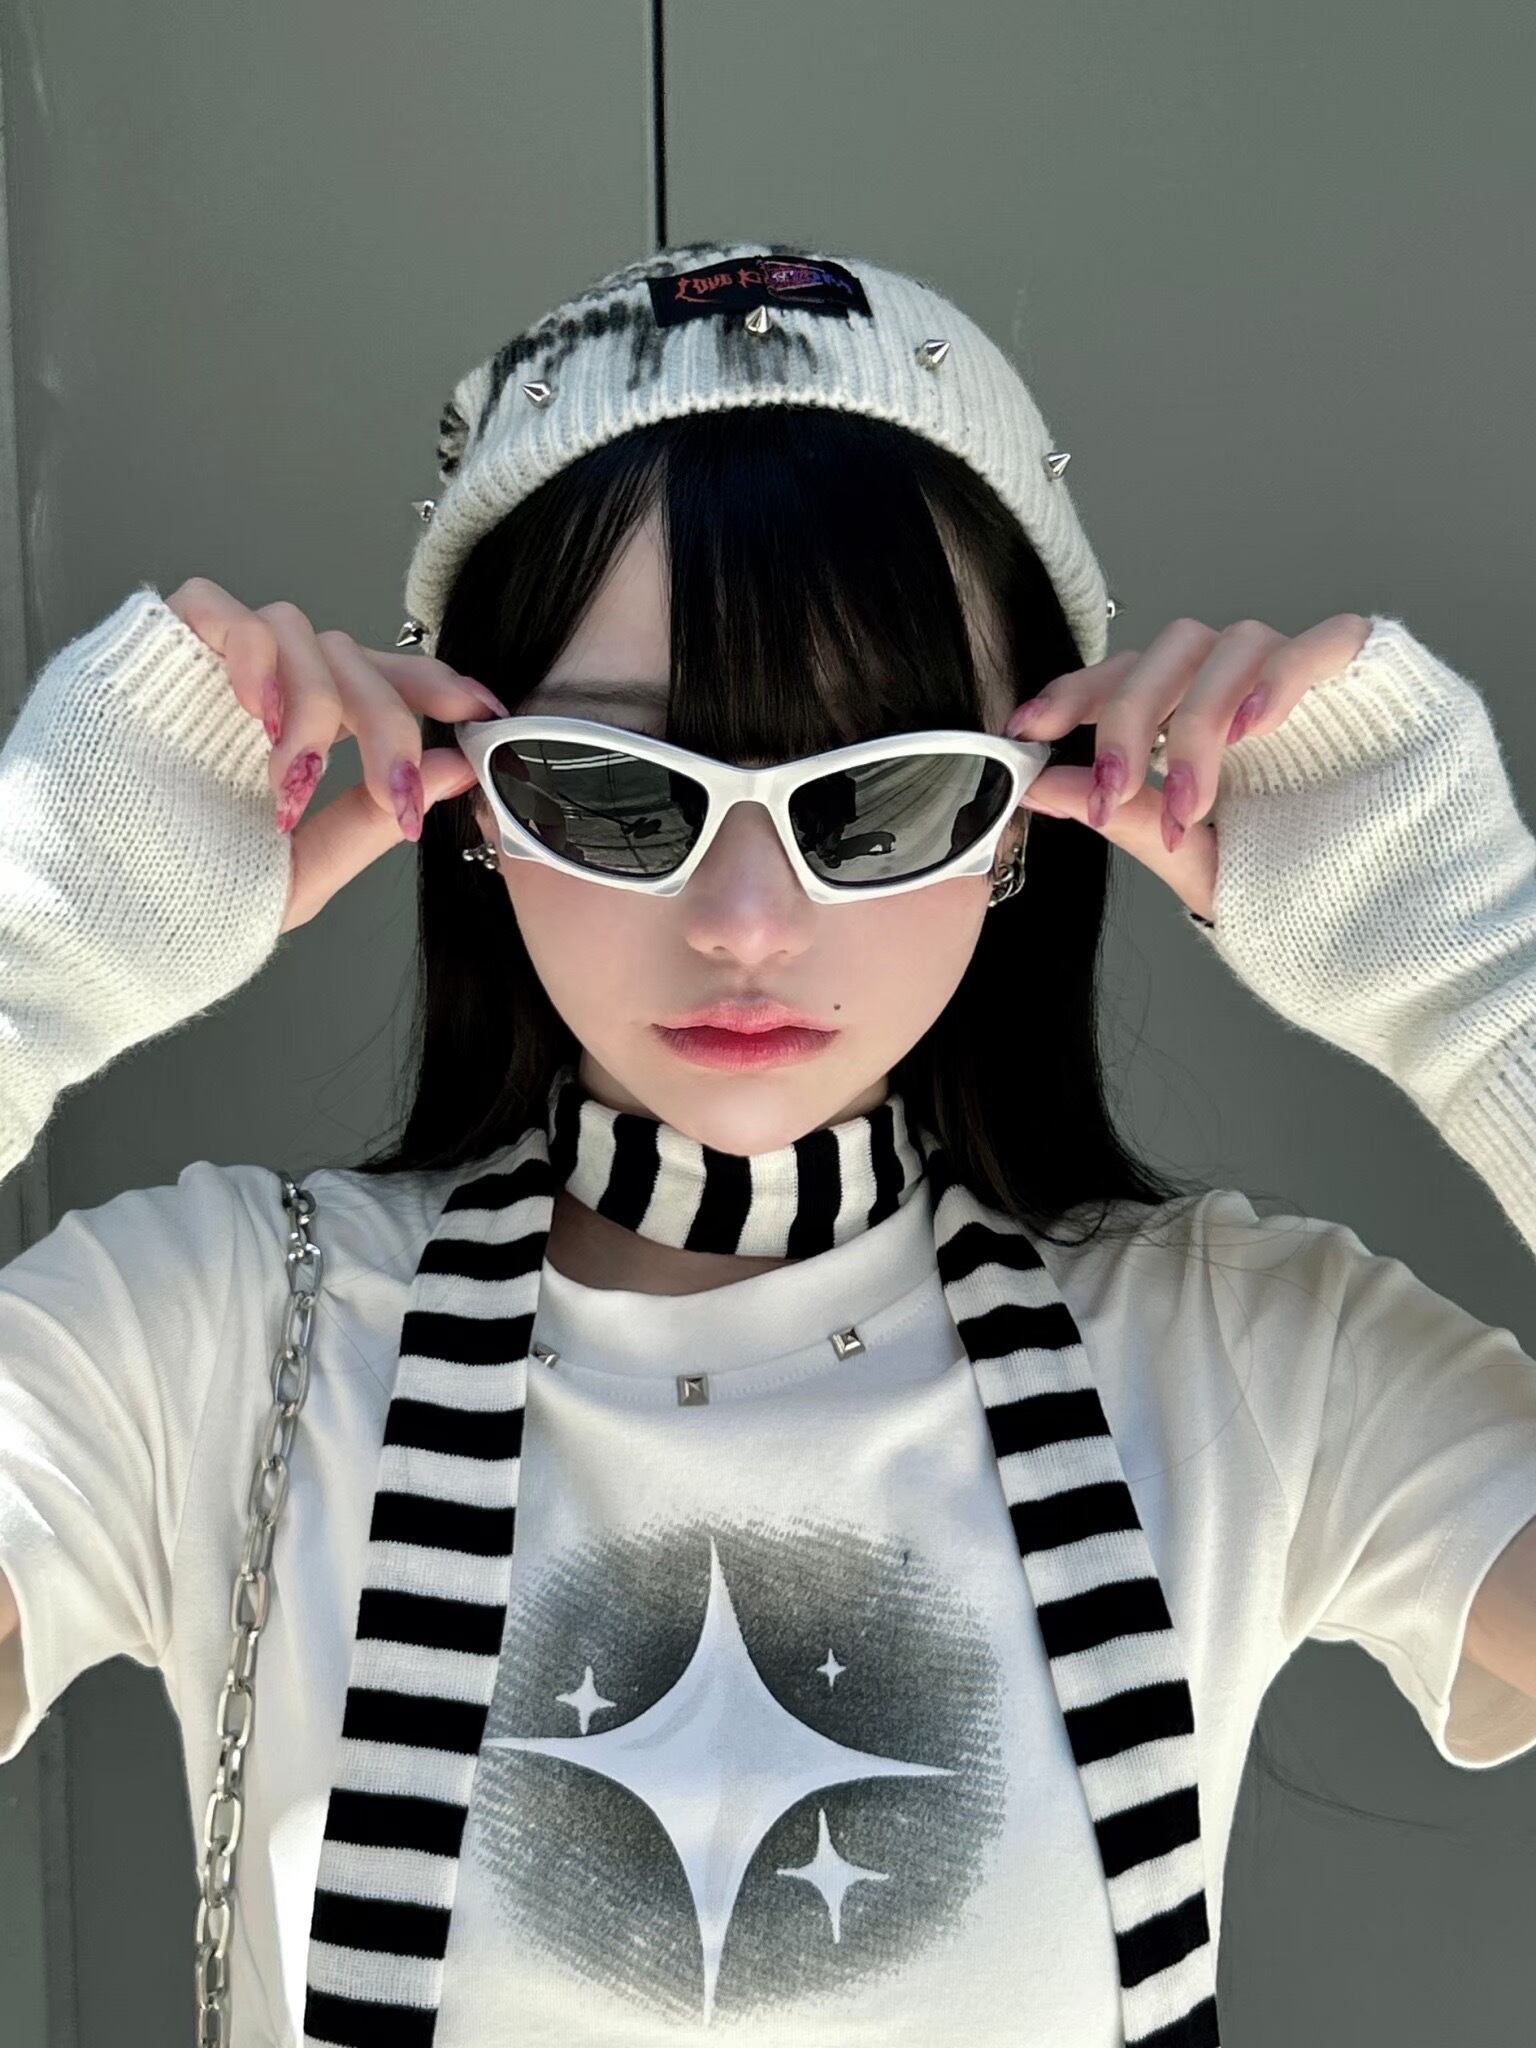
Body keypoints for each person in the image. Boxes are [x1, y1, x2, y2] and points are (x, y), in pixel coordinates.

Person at [1, 238, 1535, 2048]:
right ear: (478, 807)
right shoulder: (212, 1332)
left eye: (882, 796)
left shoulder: (1240, 1353)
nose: (746, 920)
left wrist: (1477, 979)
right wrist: (41, 939)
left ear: (1021, 822)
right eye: (614, 789)